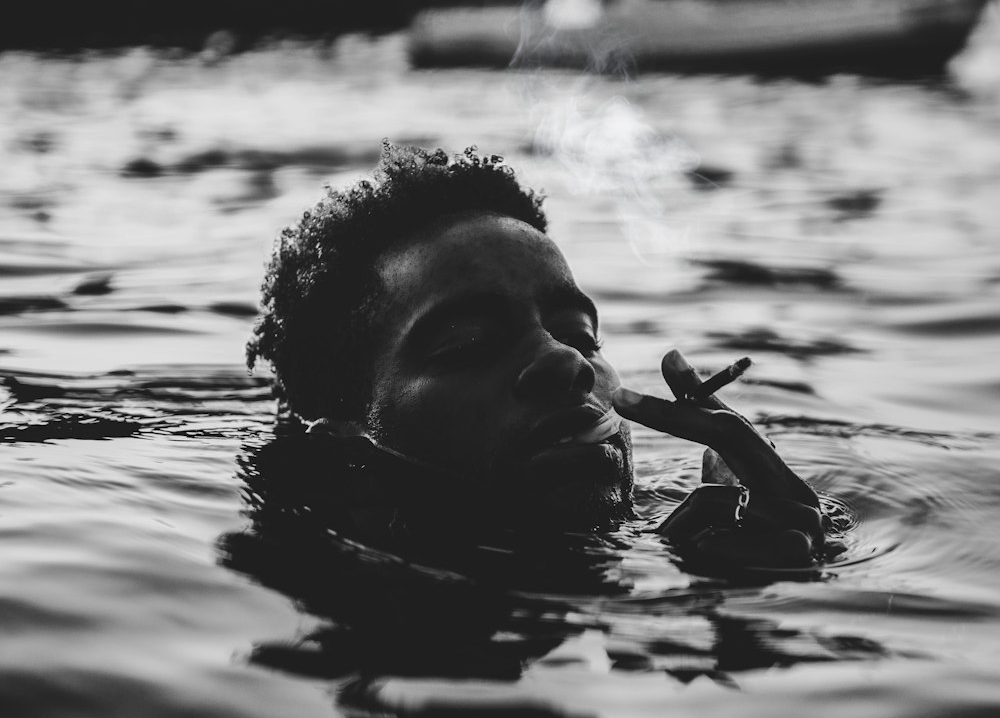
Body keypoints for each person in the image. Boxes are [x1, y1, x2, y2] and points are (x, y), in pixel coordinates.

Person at [247, 143, 825, 571]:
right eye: (468, 345)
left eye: (580, 335)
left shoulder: (684, 548)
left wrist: (785, 560)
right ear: (345, 431)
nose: (565, 363)